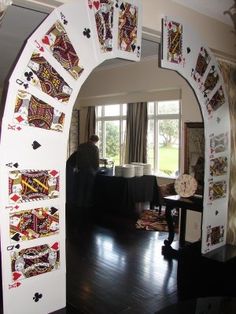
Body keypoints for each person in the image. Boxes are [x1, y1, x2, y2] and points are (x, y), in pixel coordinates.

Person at [76, 134, 100, 210]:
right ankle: (86, 205)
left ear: (90, 138)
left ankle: (79, 204)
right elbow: (96, 161)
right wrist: (96, 170)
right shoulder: (95, 148)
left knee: (81, 188)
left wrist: (78, 167)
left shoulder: (81, 146)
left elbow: (77, 158)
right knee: (88, 188)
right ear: (96, 141)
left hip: (81, 170)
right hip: (90, 171)